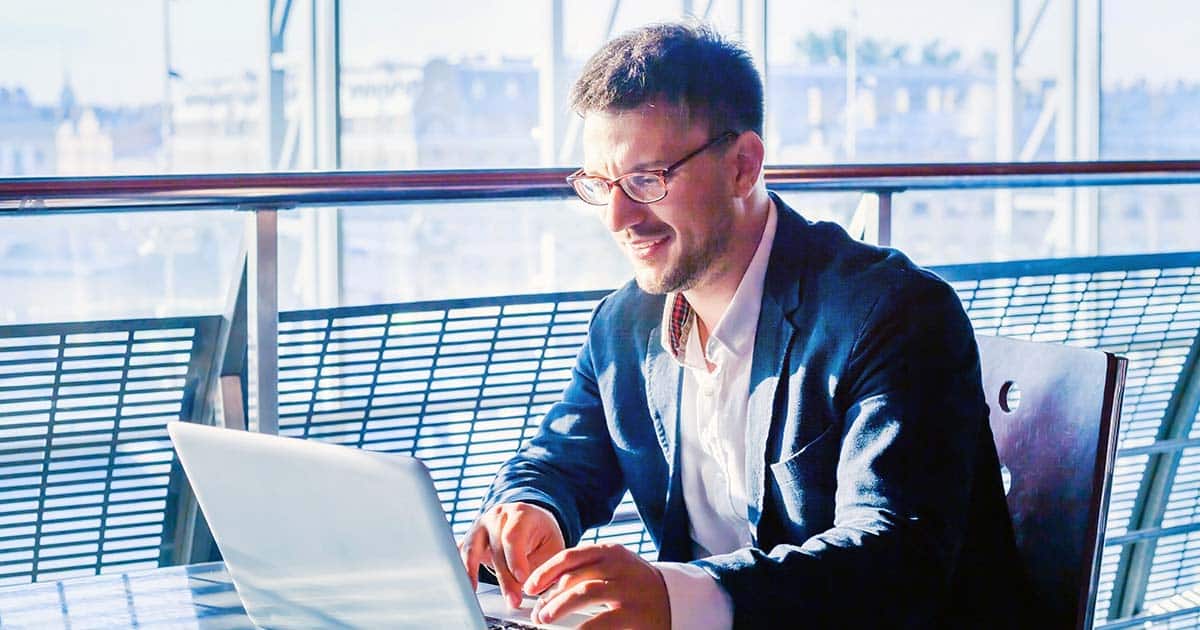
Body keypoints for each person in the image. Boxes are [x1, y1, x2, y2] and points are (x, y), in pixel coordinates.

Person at [459, 21, 1028, 629]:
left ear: (742, 165)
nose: (619, 217)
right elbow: (559, 461)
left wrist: (679, 598)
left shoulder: (892, 313)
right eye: (601, 185)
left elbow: (894, 560)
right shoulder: (623, 327)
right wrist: (530, 508)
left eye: (647, 180)